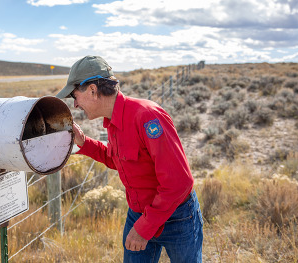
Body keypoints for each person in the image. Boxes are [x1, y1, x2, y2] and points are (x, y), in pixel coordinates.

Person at [56, 55, 203, 263]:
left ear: (92, 90)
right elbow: (116, 159)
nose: (76, 105)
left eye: (74, 95)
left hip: (176, 217)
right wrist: (84, 142)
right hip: (139, 213)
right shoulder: (113, 121)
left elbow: (179, 182)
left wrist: (145, 228)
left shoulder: (147, 117)